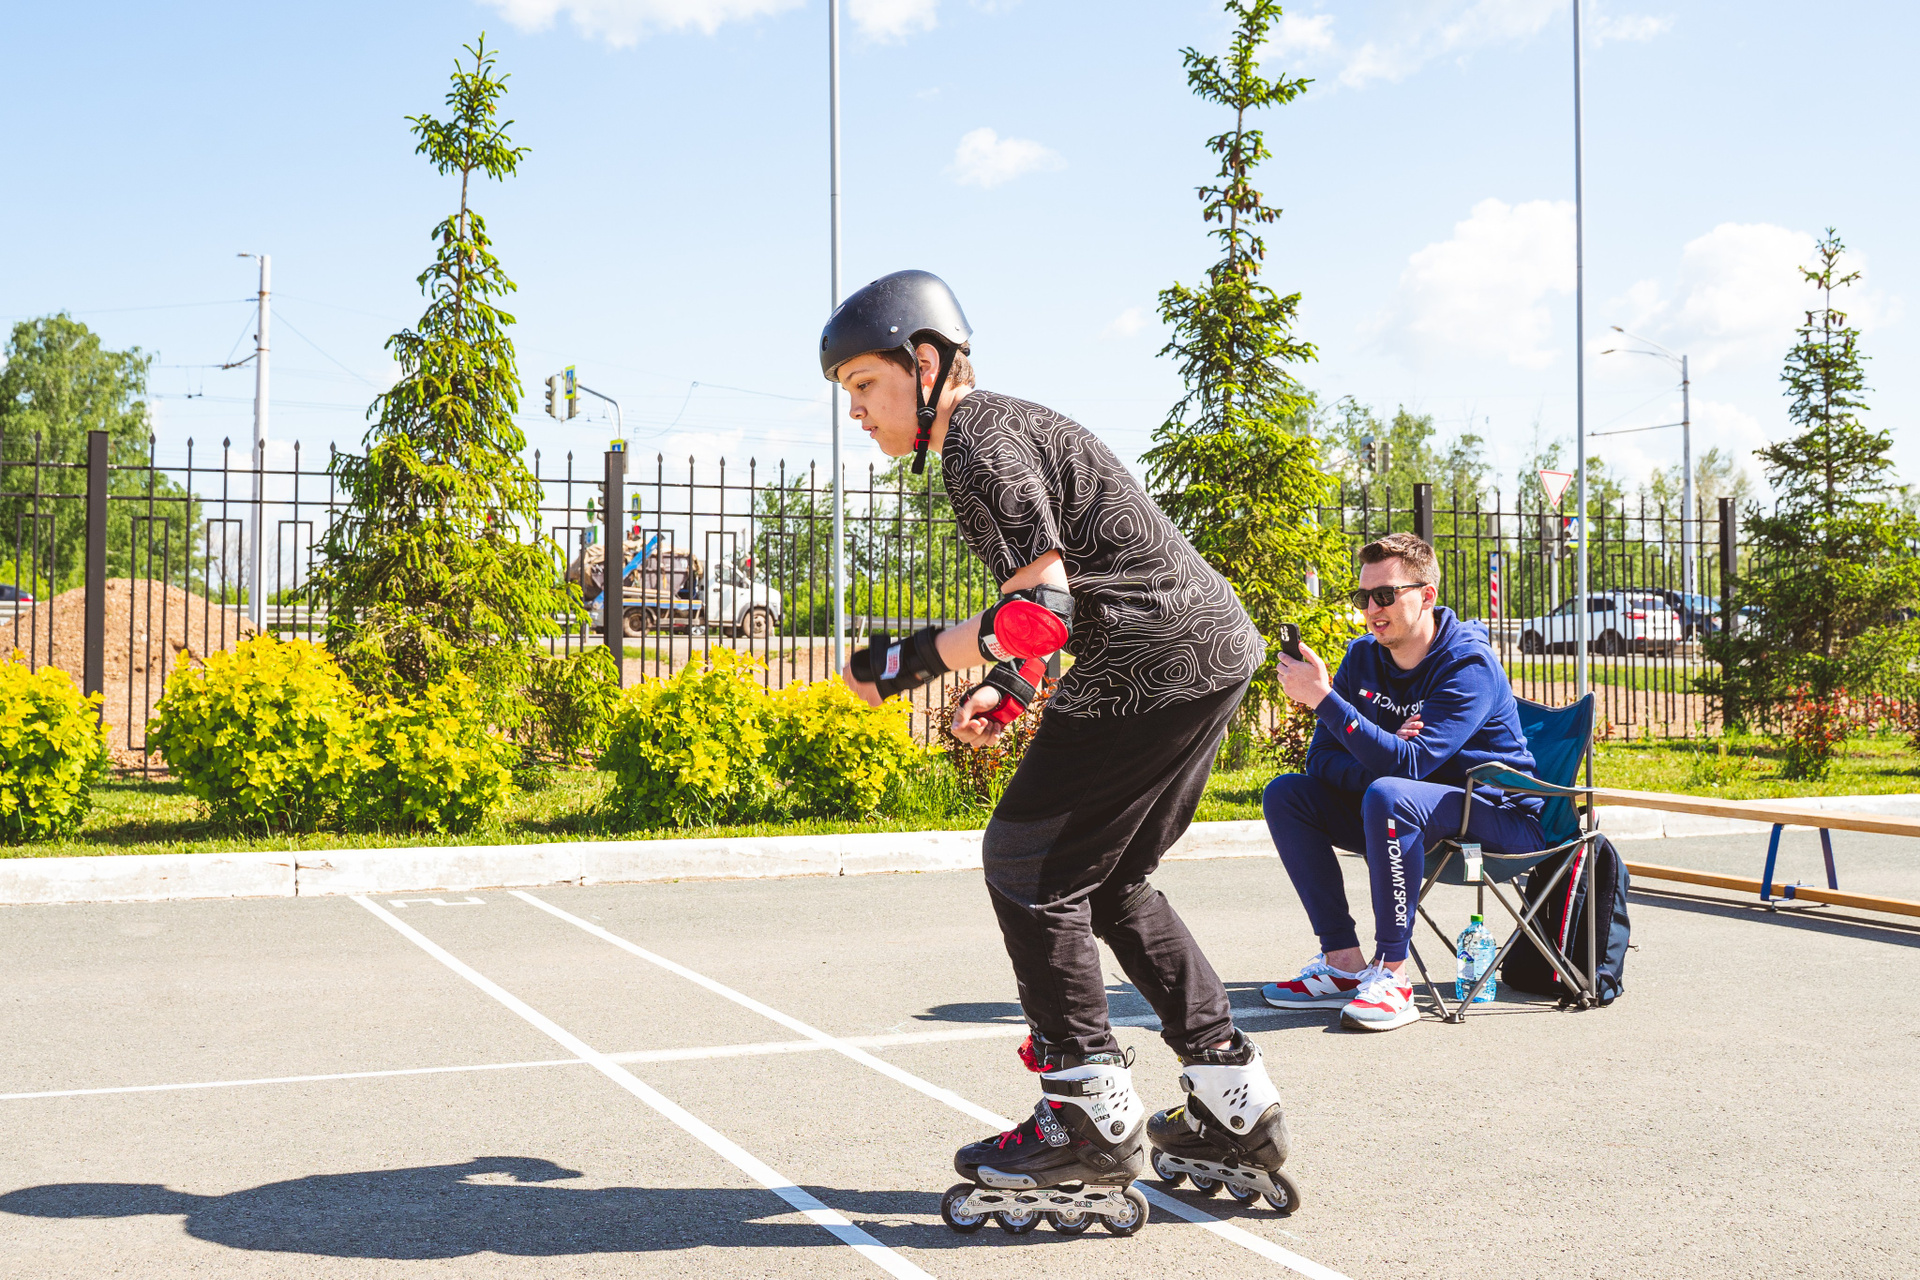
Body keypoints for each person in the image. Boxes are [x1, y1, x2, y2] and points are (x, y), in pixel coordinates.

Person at [824, 270, 1296, 1230]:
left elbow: (1038, 612)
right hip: (1207, 649)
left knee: (1027, 864)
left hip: (1148, 660)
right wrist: (1011, 686)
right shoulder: (1003, 428)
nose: (858, 413)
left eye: (865, 385)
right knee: (1113, 882)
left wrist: (906, 662)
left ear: (925, 364)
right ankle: (1233, 1103)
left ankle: (1085, 1114)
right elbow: (1055, 596)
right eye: (847, 394)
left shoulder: (976, 443)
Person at [1260, 532, 1546, 1032]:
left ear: (1426, 595)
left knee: (1391, 794)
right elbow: (1321, 761)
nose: (1372, 609)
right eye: (1364, 596)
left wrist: (1327, 703)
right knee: (1287, 794)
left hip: (1497, 814)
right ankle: (1343, 964)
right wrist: (1386, 748)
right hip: (1407, 812)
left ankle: (1393, 975)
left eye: (1386, 595)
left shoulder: (1468, 664)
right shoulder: (1362, 658)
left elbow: (1409, 766)